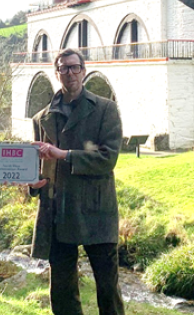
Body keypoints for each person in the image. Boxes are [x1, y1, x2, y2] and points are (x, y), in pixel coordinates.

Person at [30, 48, 125, 315]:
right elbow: (40, 166)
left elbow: (108, 158)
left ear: (83, 70)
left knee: (108, 289)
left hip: (97, 210)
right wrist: (32, 183)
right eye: (63, 68)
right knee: (62, 290)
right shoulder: (41, 118)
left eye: (74, 67)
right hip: (58, 211)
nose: (69, 73)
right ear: (56, 72)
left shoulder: (105, 109)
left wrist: (66, 155)